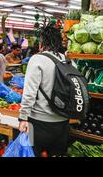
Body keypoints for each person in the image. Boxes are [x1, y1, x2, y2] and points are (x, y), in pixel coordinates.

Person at [19, 25, 71, 157]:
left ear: (41, 43)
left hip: (38, 124)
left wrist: (23, 117)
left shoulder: (37, 59)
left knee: (31, 154)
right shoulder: (69, 61)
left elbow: (29, 92)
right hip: (63, 123)